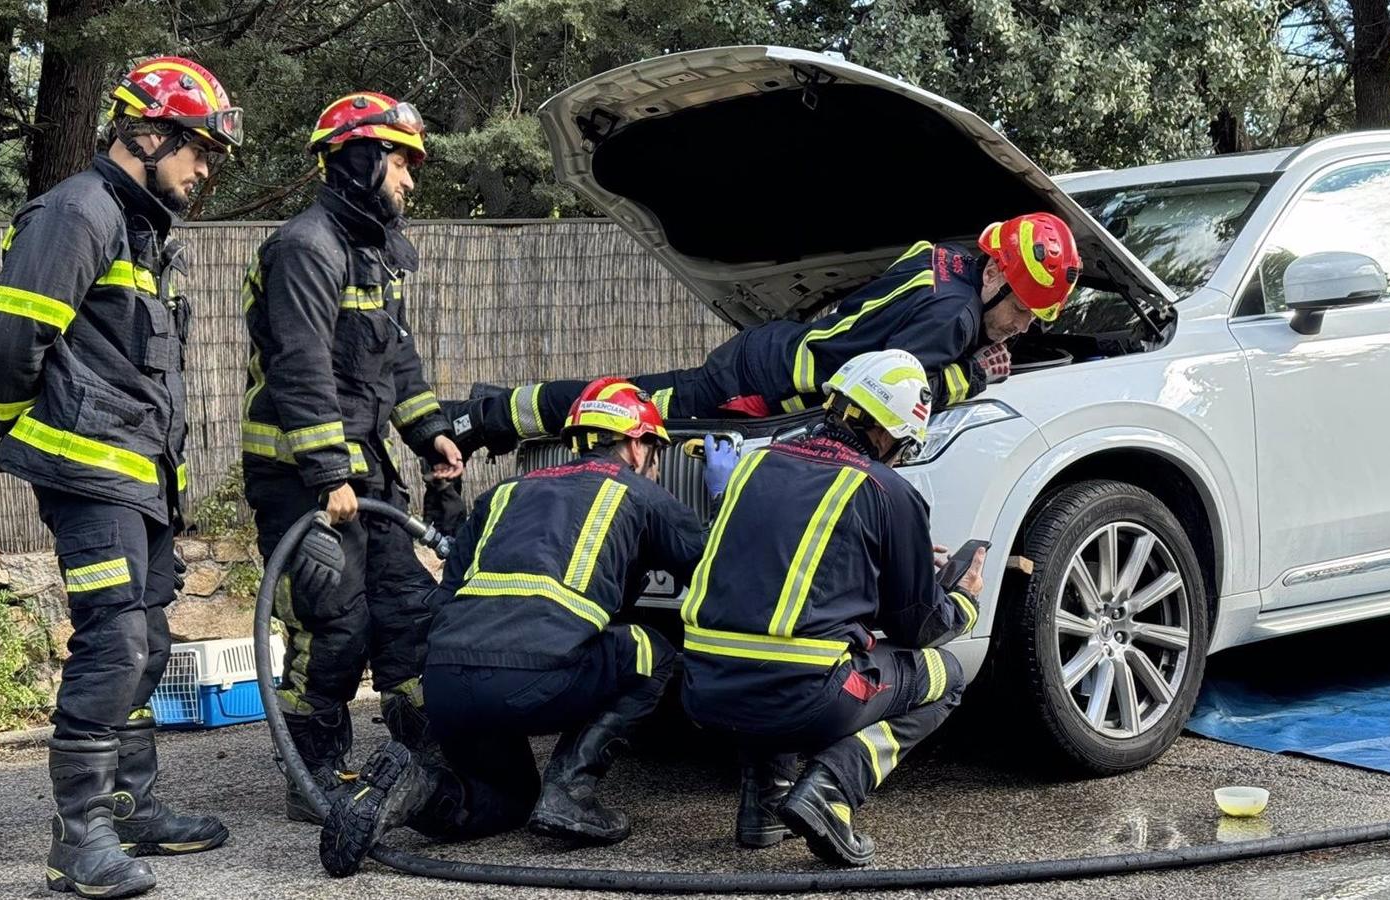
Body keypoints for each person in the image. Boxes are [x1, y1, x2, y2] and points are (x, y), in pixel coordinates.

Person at [0, 56, 241, 897]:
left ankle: (132, 808)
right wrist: (27, 425)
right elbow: (8, 344)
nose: (203, 171)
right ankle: (77, 838)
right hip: (89, 476)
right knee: (114, 639)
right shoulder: (78, 211)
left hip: (137, 481)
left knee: (146, 642)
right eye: (198, 150)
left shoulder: (139, 228)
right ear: (148, 132)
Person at [316, 378, 711, 876]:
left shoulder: (503, 493)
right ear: (636, 444)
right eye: (655, 451)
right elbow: (712, 569)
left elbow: (448, 593)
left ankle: (412, 790)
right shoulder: (639, 493)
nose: (654, 464)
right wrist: (722, 497)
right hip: (533, 681)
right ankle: (571, 791)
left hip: (446, 683)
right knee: (650, 650)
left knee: (503, 801)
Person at [239, 91, 464, 824]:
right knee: (331, 620)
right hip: (301, 476)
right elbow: (301, 365)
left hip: (365, 470)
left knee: (405, 607)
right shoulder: (306, 247)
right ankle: (313, 774)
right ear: (362, 158)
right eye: (403, 162)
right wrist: (328, 473)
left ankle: (426, 758)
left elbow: (394, 360)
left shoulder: (373, 255)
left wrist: (429, 431)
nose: (410, 181)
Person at [677, 349, 986, 867]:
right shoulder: (885, 488)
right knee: (947, 676)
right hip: (807, 698)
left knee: (773, 644)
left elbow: (776, 567)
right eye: (903, 446)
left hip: (703, 691)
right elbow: (917, 626)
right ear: (888, 433)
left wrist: (872, 560)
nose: (898, 457)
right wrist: (963, 600)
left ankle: (765, 805)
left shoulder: (751, 465)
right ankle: (832, 789)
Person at [443, 213, 1082, 459]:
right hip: (758, 387)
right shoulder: (959, 319)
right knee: (624, 410)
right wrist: (976, 373)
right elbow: (896, 397)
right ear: (997, 272)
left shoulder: (945, 262)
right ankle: (483, 415)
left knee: (634, 399)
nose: (1027, 325)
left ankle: (491, 409)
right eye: (1026, 307)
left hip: (772, 353)